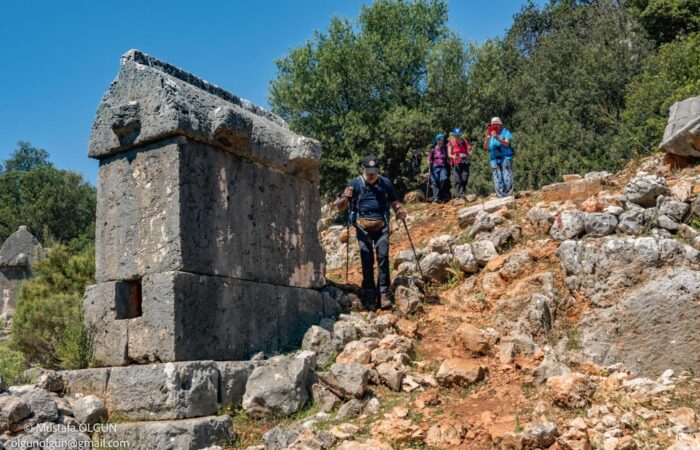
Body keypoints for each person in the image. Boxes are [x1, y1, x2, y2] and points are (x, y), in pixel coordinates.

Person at [336, 155, 407, 310]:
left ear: (378, 170)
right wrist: (345, 198)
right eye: (368, 171)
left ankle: (383, 294)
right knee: (367, 260)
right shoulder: (354, 183)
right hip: (362, 227)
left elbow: (394, 202)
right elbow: (340, 207)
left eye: (374, 171)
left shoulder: (385, 183)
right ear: (363, 169)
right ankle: (369, 295)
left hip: (382, 226)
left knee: (383, 257)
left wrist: (400, 211)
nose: (371, 174)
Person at [483, 117, 514, 197]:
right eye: (492, 125)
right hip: (494, 159)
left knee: (507, 176)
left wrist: (497, 137)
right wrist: (487, 139)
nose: (493, 126)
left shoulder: (505, 132)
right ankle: (501, 196)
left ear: (499, 125)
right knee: (497, 178)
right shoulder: (490, 135)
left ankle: (508, 195)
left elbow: (507, 143)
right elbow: (486, 147)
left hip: (505, 158)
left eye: (495, 124)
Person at [447, 128, 472, 199]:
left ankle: (462, 193)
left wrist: (470, 153)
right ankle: (460, 194)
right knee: (457, 179)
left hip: (464, 161)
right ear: (454, 136)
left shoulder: (464, 142)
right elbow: (449, 154)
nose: (457, 137)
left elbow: (469, 150)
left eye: (459, 135)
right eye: (456, 135)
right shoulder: (450, 143)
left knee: (464, 178)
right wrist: (452, 156)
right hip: (455, 162)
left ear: (461, 135)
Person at [428, 134, 451, 202]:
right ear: (437, 141)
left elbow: (448, 156)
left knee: (443, 179)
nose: (441, 141)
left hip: (443, 167)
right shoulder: (433, 149)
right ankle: (436, 198)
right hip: (434, 167)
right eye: (439, 140)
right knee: (435, 182)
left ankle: (442, 195)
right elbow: (429, 158)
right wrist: (429, 161)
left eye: (442, 140)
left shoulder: (445, 148)